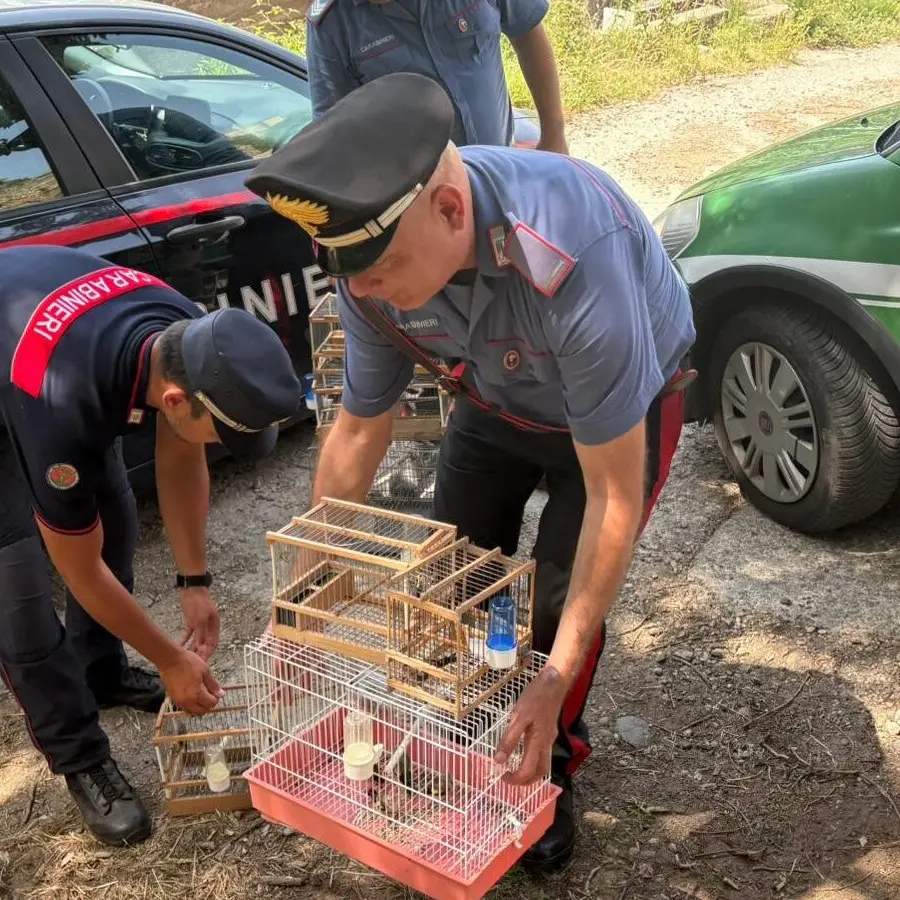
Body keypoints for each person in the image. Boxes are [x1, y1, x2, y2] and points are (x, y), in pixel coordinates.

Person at [244, 72, 696, 871]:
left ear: (450, 210)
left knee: (555, 610)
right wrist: (300, 603)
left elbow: (614, 496)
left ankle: (544, 765)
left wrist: (553, 675)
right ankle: (459, 732)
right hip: (496, 400)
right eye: (349, 278)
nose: (363, 295)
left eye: (376, 273)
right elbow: (356, 435)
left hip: (620, 407)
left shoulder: (568, 246)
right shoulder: (371, 267)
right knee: (450, 574)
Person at [0, 245, 303, 847]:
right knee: (20, 595)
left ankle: (102, 671)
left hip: (51, 365)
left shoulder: (184, 333)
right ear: (173, 400)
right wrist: (169, 657)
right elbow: (79, 570)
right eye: (224, 434)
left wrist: (195, 581)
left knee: (116, 519)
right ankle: (80, 755)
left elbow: (183, 452)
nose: (220, 445)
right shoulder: (64, 402)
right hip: (32, 384)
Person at [305, 0, 568, 153]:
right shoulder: (332, 22)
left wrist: (554, 134)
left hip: (504, 169)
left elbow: (527, 31)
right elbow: (334, 130)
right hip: (422, 206)